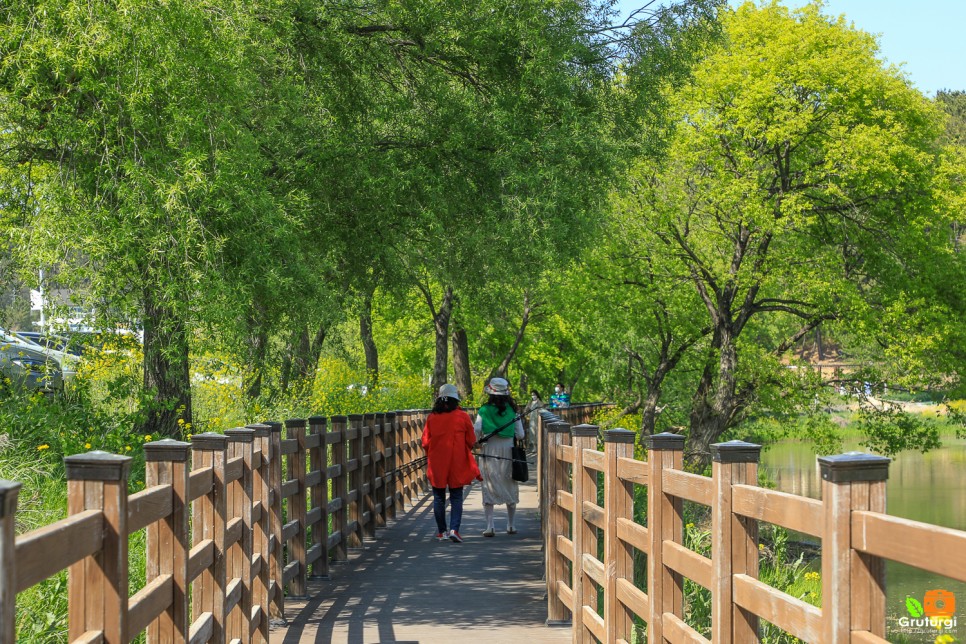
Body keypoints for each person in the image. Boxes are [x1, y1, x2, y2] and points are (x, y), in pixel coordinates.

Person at [422, 383, 481, 543]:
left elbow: (425, 442)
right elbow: (471, 440)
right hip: (457, 461)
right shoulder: (462, 416)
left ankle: (442, 531)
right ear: (455, 400)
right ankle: (455, 529)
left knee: (438, 497)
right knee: (456, 496)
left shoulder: (432, 417)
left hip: (437, 461)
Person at [474, 377, 525, 537]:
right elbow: (521, 434)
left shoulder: (483, 410)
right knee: (510, 483)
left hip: (489, 450)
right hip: (508, 450)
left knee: (489, 485)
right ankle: (511, 524)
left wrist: (477, 442)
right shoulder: (513, 411)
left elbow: (477, 430)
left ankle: (490, 526)